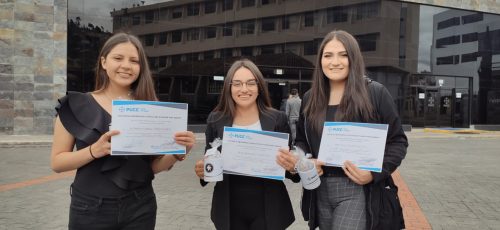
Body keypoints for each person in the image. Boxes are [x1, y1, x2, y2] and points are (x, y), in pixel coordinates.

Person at [51, 33, 196, 230]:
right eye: (118, 58)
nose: (126, 65)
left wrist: (178, 152)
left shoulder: (152, 110)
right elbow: (57, 163)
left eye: (134, 61)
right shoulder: (76, 105)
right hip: (90, 209)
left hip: (140, 207)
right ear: (103, 62)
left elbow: (151, 168)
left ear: (140, 67)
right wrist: (95, 150)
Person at [277, 30, 408, 229]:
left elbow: (397, 141)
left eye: (343, 55)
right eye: (328, 55)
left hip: (356, 187)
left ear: (353, 58)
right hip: (319, 188)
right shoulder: (310, 98)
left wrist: (373, 173)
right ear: (320, 60)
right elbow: (302, 140)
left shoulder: (374, 93)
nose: (335, 62)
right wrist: (302, 160)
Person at [194, 59, 300, 230]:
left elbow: (290, 170)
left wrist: (293, 167)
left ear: (259, 87)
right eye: (237, 84)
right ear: (229, 88)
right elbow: (210, 162)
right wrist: (203, 171)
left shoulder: (277, 119)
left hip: (269, 207)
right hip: (229, 208)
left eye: (250, 83)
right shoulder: (216, 120)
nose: (244, 89)